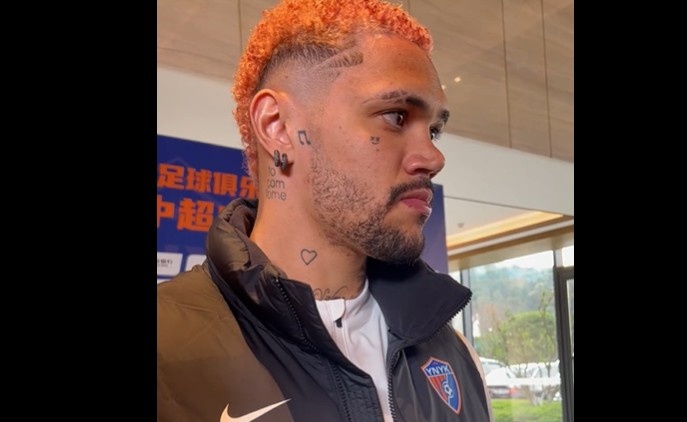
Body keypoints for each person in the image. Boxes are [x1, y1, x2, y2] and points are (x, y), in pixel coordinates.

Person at [157, 0, 493, 421]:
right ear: (278, 126)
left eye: (435, 130)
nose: (433, 157)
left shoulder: (456, 357)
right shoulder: (167, 350)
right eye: (395, 116)